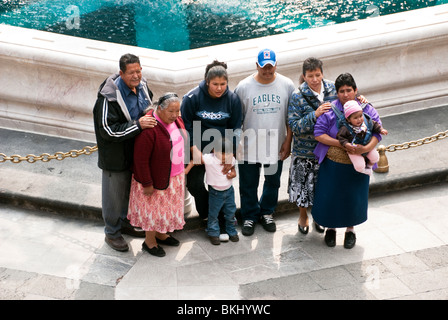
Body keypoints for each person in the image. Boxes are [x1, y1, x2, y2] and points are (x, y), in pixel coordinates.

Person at [93, 53, 156, 252]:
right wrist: (138, 125)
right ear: (121, 73)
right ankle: (111, 233)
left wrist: (148, 114)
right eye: (132, 73)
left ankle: (125, 222)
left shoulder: (142, 85)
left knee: (128, 192)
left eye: (139, 71)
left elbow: (149, 103)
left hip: (134, 152)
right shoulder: (107, 97)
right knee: (113, 196)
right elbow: (107, 130)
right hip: (115, 157)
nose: (137, 76)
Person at [312, 73, 384, 249]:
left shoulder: (366, 108)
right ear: (337, 93)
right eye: (342, 91)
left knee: (353, 198)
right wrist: (342, 144)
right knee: (331, 197)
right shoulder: (329, 110)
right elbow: (319, 133)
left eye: (349, 90)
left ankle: (350, 231)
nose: (345, 94)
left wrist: (366, 149)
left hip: (358, 163)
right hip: (333, 163)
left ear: (355, 90)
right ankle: (331, 229)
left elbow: (377, 131)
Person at [234, 48, 295, 236]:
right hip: (249, 147)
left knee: (272, 181)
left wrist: (288, 141)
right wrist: (235, 146)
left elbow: (290, 117)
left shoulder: (287, 85)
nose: (267, 71)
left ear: (276, 65)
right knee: (248, 184)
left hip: (274, 145)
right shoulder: (243, 87)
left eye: (271, 67)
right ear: (257, 66)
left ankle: (267, 212)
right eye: (263, 68)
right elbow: (237, 120)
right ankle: (249, 216)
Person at [181, 60, 242, 239]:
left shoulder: (233, 99)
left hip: (222, 151)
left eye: (223, 84)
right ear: (207, 82)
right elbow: (185, 126)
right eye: (215, 84)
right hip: (197, 150)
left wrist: (230, 154)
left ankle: (224, 219)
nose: (219, 88)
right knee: (194, 184)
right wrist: (194, 149)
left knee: (222, 185)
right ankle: (209, 216)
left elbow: (236, 127)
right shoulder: (192, 98)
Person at [127, 93, 187, 257]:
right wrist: (147, 183)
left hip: (173, 177)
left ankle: (161, 234)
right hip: (153, 180)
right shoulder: (149, 128)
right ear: (160, 109)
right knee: (152, 211)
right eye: (171, 111)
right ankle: (150, 241)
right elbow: (140, 160)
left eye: (177, 111)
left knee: (165, 210)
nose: (175, 115)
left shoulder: (176, 121)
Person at [287, 57, 336, 235]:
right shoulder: (297, 96)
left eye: (317, 75)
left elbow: (348, 103)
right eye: (310, 76)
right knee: (302, 188)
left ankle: (319, 217)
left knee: (323, 188)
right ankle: (302, 216)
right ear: (304, 76)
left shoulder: (332, 88)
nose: (315, 79)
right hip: (305, 151)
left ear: (322, 73)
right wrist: (314, 115)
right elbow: (294, 126)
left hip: (329, 151)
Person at [186, 138, 239, 245]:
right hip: (215, 193)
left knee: (230, 212)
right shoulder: (209, 159)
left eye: (228, 153)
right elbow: (194, 160)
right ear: (214, 151)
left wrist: (233, 173)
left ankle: (231, 230)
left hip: (229, 191)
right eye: (222, 153)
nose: (225, 156)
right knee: (213, 214)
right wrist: (186, 170)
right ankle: (213, 232)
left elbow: (233, 167)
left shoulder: (230, 159)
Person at [337, 100, 388, 175]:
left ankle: (369, 167)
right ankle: (364, 171)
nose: (359, 119)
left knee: (375, 157)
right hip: (353, 150)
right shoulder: (345, 128)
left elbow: (374, 124)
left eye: (360, 116)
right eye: (355, 118)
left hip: (366, 144)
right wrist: (346, 144)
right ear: (348, 119)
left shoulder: (366, 121)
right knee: (359, 166)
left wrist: (381, 130)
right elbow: (341, 137)